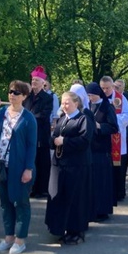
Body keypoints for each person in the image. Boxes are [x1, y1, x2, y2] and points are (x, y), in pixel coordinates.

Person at [0, 80, 37, 254]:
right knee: (5, 203)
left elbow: (31, 145)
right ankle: (8, 237)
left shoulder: (28, 118)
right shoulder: (1, 113)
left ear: (24, 96)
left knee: (21, 202)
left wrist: (28, 168)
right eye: (10, 91)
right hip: (1, 166)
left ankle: (20, 239)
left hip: (20, 166)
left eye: (16, 93)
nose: (12, 95)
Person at [45, 91, 93, 244]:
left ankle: (76, 231)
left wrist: (64, 141)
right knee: (57, 195)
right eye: (63, 103)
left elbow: (85, 141)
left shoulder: (83, 119)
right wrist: (54, 141)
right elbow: (53, 138)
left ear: (76, 103)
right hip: (59, 165)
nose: (64, 106)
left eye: (67, 103)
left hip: (76, 165)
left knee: (75, 198)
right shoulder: (61, 119)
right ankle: (59, 227)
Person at [86, 82, 118, 221]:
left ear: (98, 94)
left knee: (101, 180)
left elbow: (113, 127)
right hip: (90, 147)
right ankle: (91, 208)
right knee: (91, 181)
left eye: (92, 95)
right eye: (88, 95)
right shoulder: (87, 106)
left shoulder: (107, 107)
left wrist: (100, 126)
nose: (90, 98)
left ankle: (102, 210)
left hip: (102, 148)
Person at [100, 76, 128, 202]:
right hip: (103, 136)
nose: (105, 90)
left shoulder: (120, 98)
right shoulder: (99, 98)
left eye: (107, 88)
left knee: (118, 166)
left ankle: (118, 192)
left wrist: (112, 122)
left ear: (112, 86)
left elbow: (127, 115)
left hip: (116, 136)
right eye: (103, 88)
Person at [24, 66, 53, 198]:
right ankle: (32, 187)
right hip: (28, 132)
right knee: (31, 160)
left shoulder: (47, 98)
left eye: (36, 80)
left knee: (43, 162)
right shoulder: (27, 97)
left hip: (41, 133)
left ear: (43, 83)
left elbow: (44, 115)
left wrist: (29, 117)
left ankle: (43, 188)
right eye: (33, 80)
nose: (34, 83)